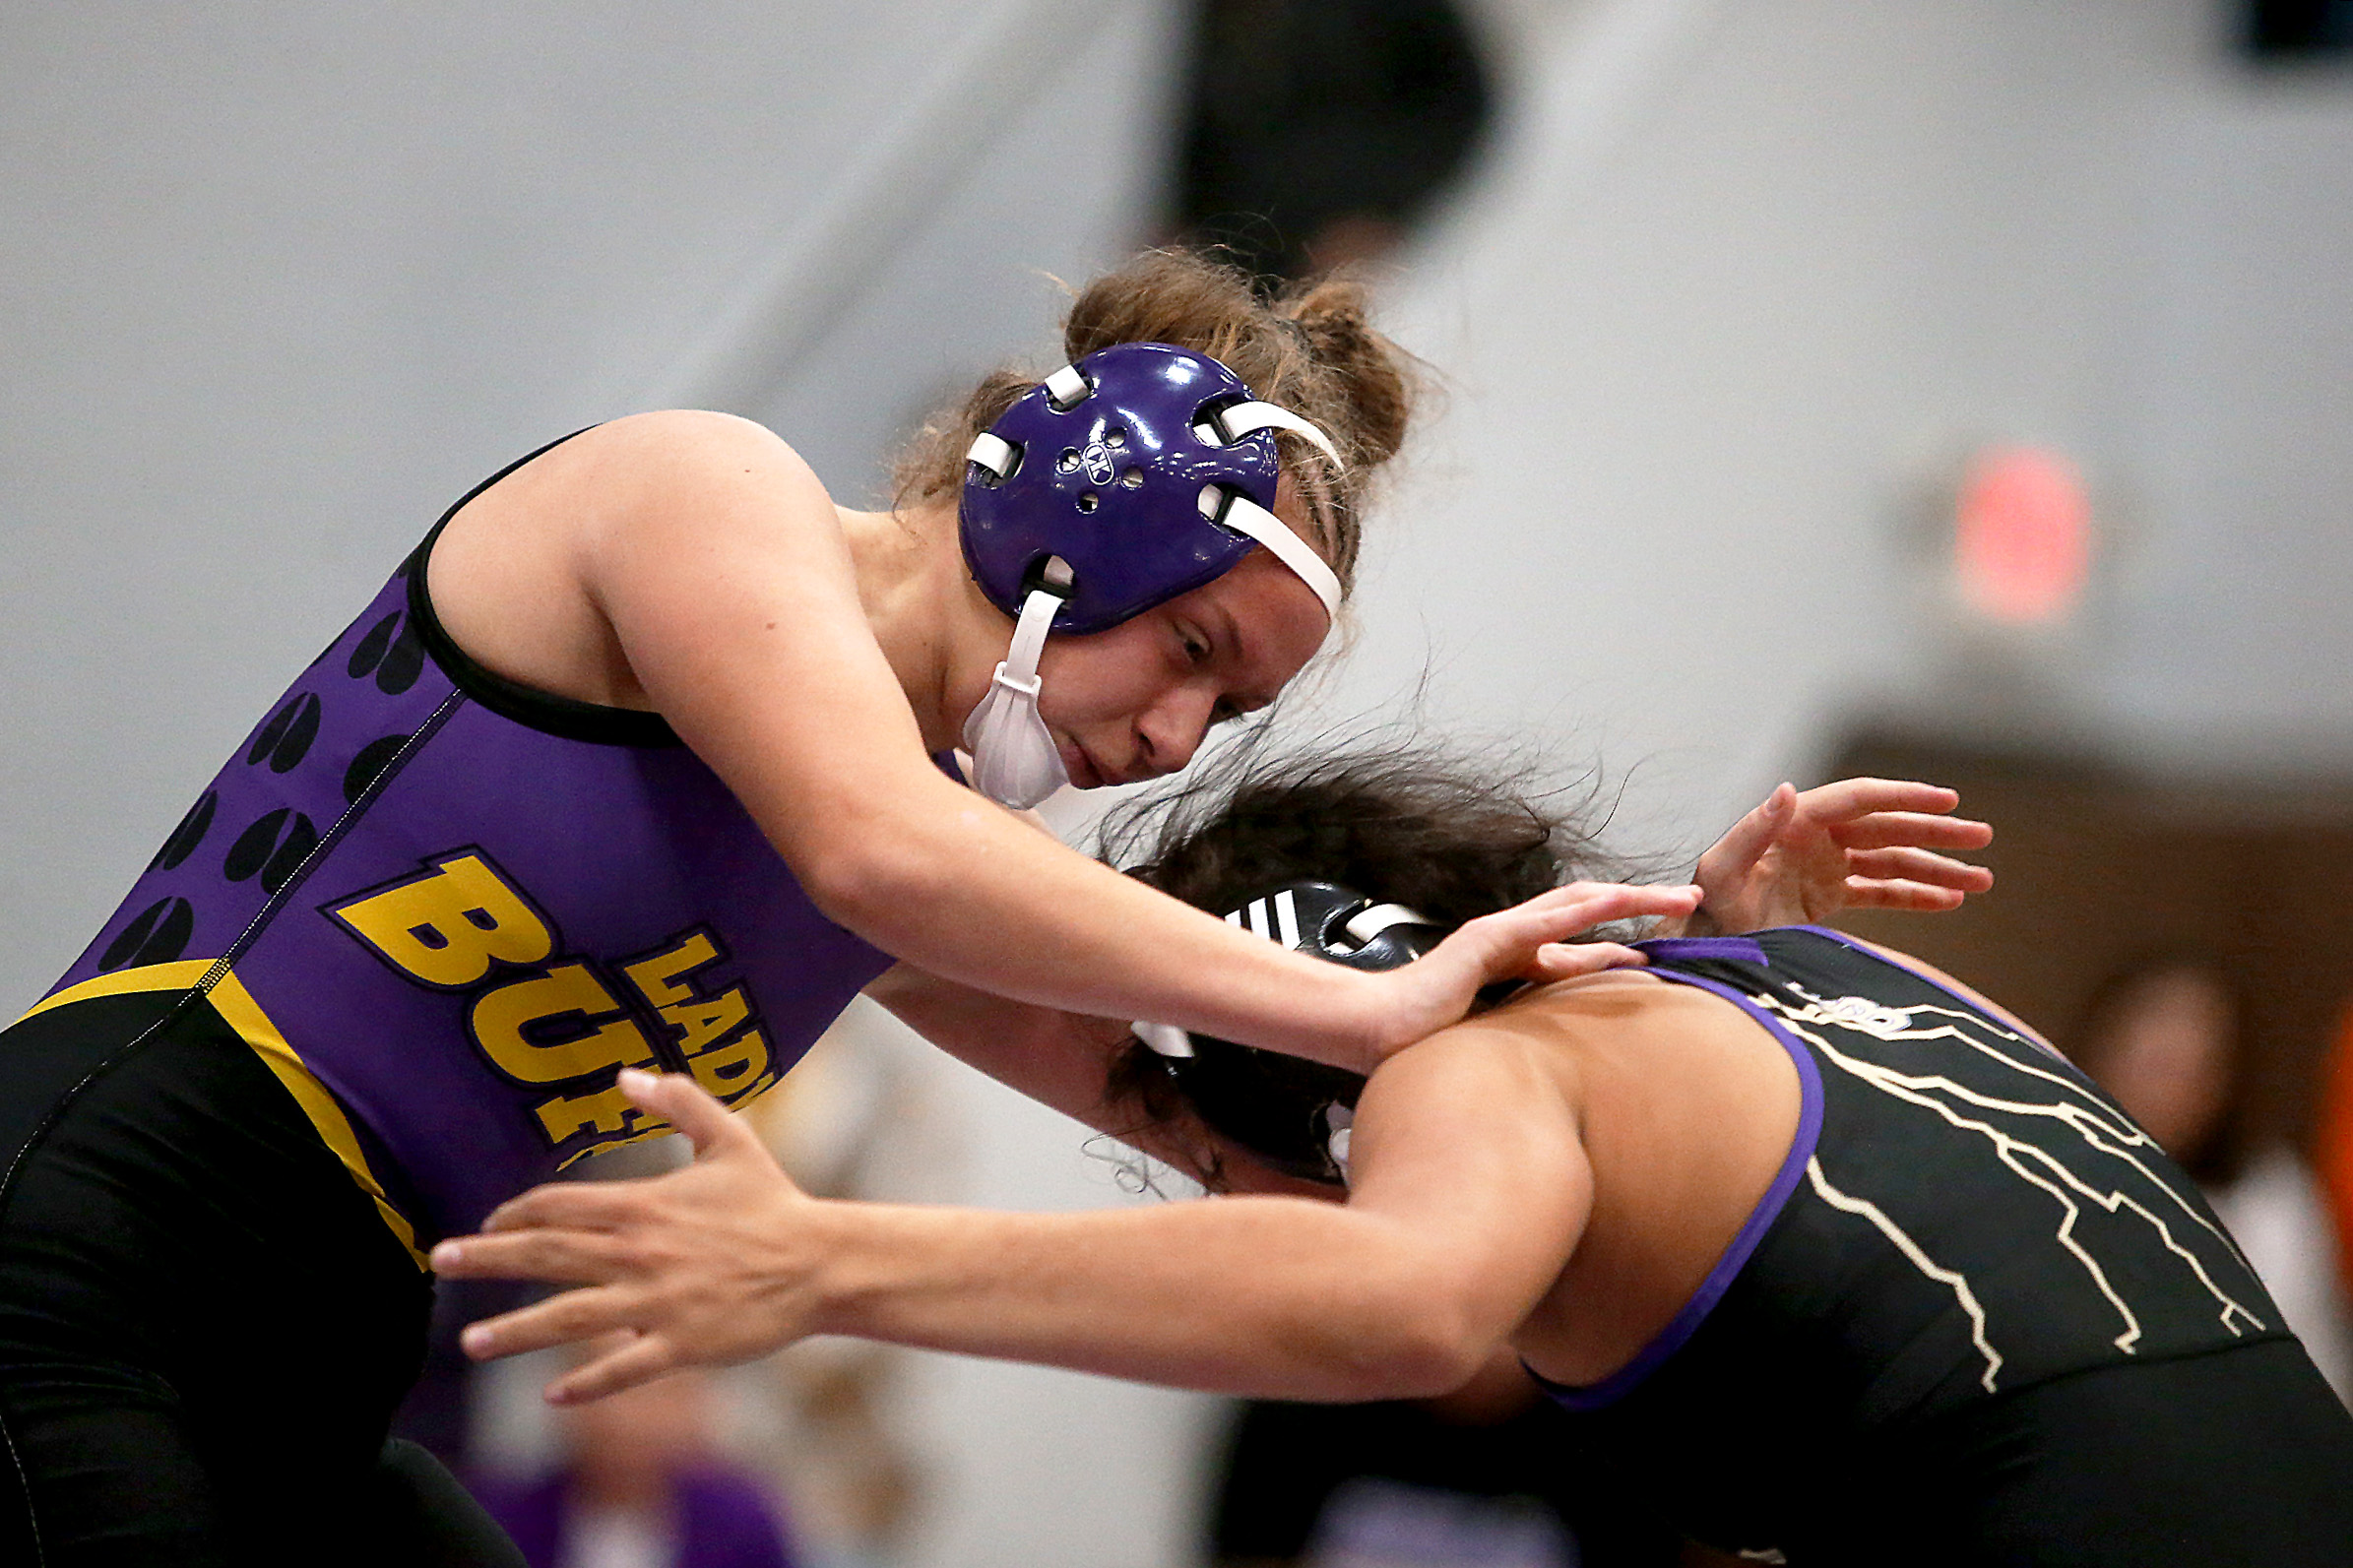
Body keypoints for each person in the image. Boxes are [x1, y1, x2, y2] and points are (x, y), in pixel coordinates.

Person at [0, 252, 1712, 1566]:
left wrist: (1650, 1025)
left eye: (1230, 709)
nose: (1172, 740)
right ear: (1064, 520)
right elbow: (872, 850)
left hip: (323, 1350)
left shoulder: (928, 844)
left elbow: (1243, 1159)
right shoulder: (702, 497)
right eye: (1192, 650)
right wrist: (1360, 1005)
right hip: (96, 1226)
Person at [441, 753, 2353, 1566]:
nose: (1210, 1214)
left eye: (1194, 1173)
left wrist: (830, 1259)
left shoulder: (1476, 1064)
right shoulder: (1776, 975)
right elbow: (1119, 1043)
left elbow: (1397, 1290)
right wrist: (784, 827)